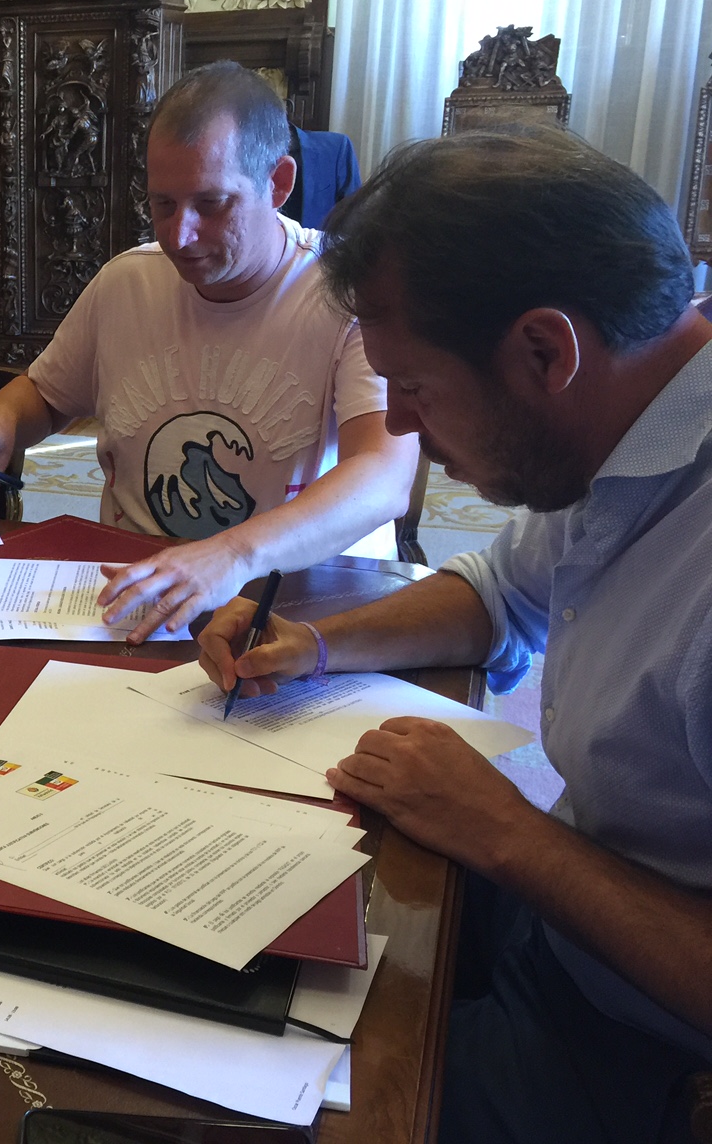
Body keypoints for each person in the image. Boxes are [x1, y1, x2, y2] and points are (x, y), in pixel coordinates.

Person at [197, 128, 712, 1142]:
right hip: (567, 927)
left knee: (226, 1095)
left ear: (544, 351)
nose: (397, 425)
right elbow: (498, 592)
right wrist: (316, 645)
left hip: (640, 1047)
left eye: (416, 387)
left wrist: (507, 832)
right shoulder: (621, 430)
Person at [0, 62, 418, 640]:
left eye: (212, 204)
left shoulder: (346, 292)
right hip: (138, 592)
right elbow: (47, 394)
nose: (179, 236)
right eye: (163, 204)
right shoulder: (126, 282)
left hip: (294, 604)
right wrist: (0, 416)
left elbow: (383, 476)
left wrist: (231, 554)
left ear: (278, 183)